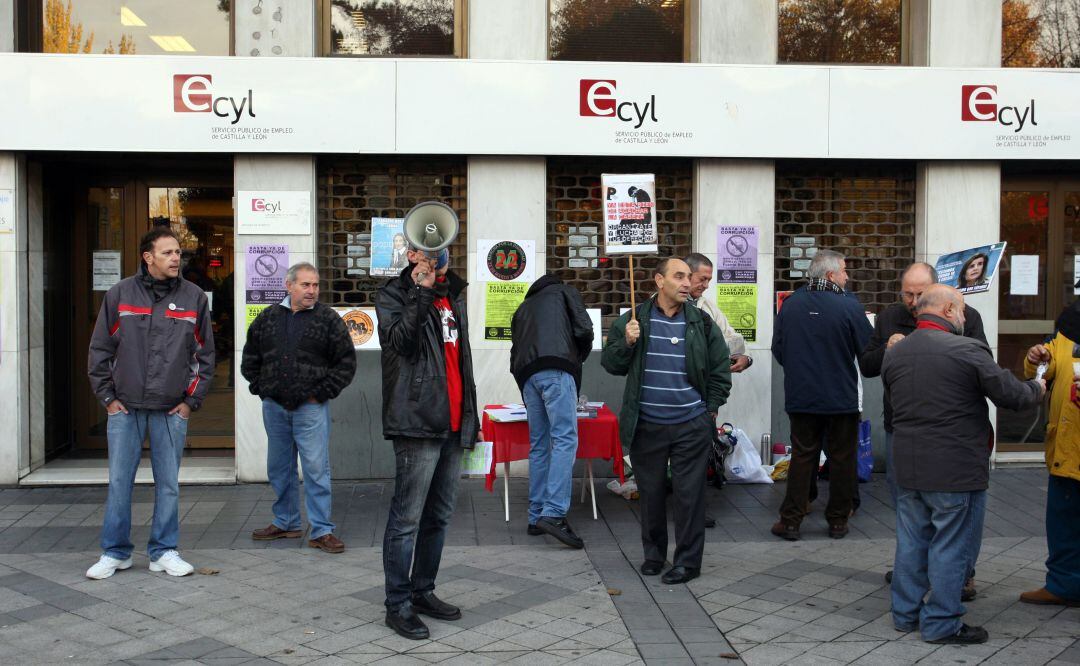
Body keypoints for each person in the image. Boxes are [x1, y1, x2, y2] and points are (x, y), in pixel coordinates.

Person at [883, 284, 1044, 644]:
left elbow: (895, 404)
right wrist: (1038, 386)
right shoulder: (967, 350)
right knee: (951, 545)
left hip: (908, 464)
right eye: (962, 309)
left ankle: (904, 615)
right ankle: (942, 622)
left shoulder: (895, 353)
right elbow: (1012, 396)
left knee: (910, 542)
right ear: (948, 310)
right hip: (954, 467)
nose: (964, 315)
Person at [85, 227, 215, 580]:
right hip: (125, 408)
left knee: (168, 484)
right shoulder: (120, 294)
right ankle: (115, 553)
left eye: (178, 252)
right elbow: (100, 350)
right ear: (148, 257)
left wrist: (190, 401)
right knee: (119, 482)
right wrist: (108, 398)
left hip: (171, 409)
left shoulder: (193, 297)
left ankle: (164, 551)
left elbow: (204, 355)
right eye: (168, 252)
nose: (176, 258)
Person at [859, 261, 988, 594]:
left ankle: (962, 573)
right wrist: (888, 350)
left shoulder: (965, 316)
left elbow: (984, 365)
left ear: (934, 290)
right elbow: (867, 365)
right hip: (903, 427)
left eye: (920, 294)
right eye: (907, 294)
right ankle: (914, 570)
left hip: (952, 430)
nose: (914, 302)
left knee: (960, 507)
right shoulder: (889, 318)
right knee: (909, 507)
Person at [602, 258, 732, 584]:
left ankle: (687, 562)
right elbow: (611, 364)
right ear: (660, 281)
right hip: (647, 424)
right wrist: (627, 343)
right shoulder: (635, 319)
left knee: (689, 496)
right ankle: (654, 554)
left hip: (691, 423)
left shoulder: (701, 322)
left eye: (689, 277)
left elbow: (720, 370)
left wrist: (709, 409)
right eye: (679, 276)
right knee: (651, 493)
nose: (687, 283)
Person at [376, 243, 479, 640]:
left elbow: (461, 361)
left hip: (452, 422)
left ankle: (422, 591)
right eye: (425, 250)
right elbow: (401, 343)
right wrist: (420, 291)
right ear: (411, 256)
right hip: (417, 421)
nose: (435, 256)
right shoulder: (393, 294)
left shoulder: (453, 295)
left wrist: (470, 416)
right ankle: (397, 604)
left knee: (439, 516)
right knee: (407, 520)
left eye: (441, 249)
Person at [241, 262, 357, 554]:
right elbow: (250, 358)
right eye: (306, 285)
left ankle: (321, 530)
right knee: (279, 468)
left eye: (315, 285)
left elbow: (346, 363)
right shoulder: (267, 318)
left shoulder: (328, 319)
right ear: (289, 285)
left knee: (316, 470)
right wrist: (262, 389)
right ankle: (286, 521)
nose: (312, 291)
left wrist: (321, 394)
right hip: (275, 407)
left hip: (310, 409)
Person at [771, 249, 872, 542]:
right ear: (830, 275)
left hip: (801, 396)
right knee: (842, 458)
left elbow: (779, 349)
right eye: (844, 271)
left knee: (803, 456)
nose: (847, 277)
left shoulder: (791, 304)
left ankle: (791, 520)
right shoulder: (849, 306)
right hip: (841, 397)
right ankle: (838, 521)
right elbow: (866, 350)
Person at [510, 273, 594, 547]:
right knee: (564, 439)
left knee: (539, 445)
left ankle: (536, 516)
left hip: (528, 376)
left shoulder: (523, 308)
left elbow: (514, 353)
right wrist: (575, 359)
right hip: (557, 369)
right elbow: (584, 330)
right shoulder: (565, 291)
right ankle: (555, 513)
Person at [1020, 299, 1080, 607]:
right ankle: (1063, 585)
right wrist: (1036, 358)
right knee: (1063, 524)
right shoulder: (1071, 322)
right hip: (1067, 448)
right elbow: (1046, 367)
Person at [684, 252, 750, 526]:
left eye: (709, 280)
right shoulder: (657, 306)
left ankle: (694, 510)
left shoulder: (708, 307)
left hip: (704, 396)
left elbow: (731, 338)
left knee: (699, 454)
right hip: (674, 396)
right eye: (702, 279)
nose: (706, 285)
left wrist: (743, 356)